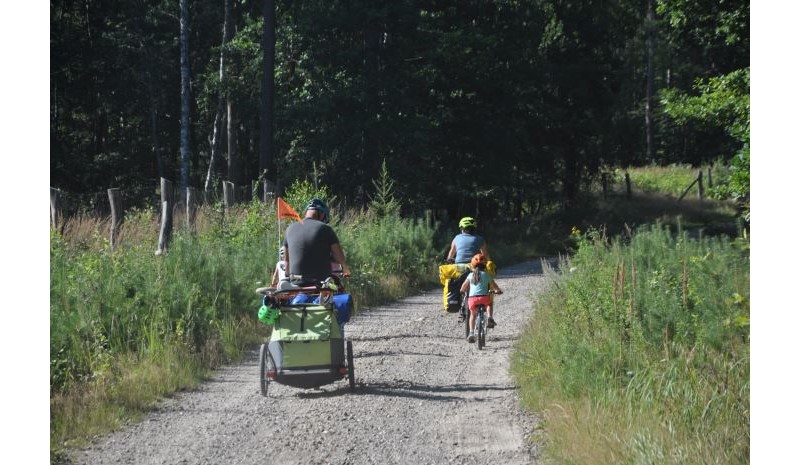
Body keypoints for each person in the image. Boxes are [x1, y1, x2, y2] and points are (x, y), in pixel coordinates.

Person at [283, 198, 351, 284]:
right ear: (321, 214)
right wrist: (345, 268)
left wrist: (288, 277)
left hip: (296, 283)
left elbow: (286, 261)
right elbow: (338, 255)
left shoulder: (289, 229)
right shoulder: (325, 229)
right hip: (320, 283)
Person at [442, 216, 490, 312]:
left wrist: (448, 261)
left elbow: (452, 253)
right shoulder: (479, 239)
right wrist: (489, 263)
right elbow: (485, 254)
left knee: (455, 283)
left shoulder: (457, 238)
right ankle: (483, 303)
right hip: (474, 266)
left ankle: (458, 300)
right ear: (474, 228)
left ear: (462, 229)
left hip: (458, 267)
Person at [460, 253, 502, 343]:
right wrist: (498, 290)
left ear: (473, 265)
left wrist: (462, 291)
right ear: (485, 265)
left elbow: (463, 287)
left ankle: (471, 333)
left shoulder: (470, 275)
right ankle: (490, 318)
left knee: (473, 315)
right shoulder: (486, 275)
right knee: (489, 304)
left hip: (472, 299)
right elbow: (494, 286)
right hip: (484, 298)